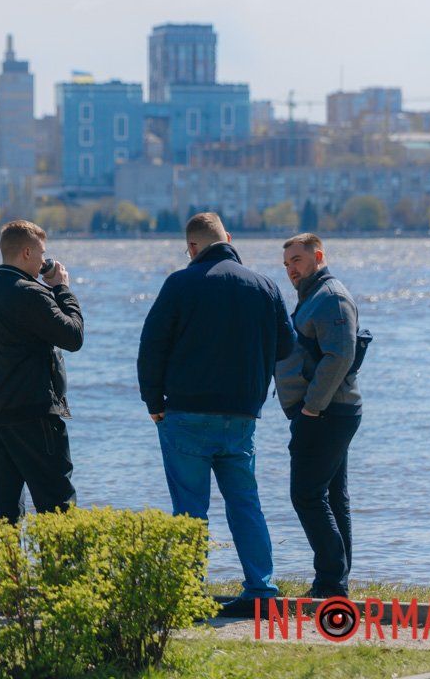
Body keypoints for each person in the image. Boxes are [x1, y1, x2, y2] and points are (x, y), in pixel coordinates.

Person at [137, 212, 294, 616]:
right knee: (245, 503)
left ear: (192, 247)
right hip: (241, 414)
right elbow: (286, 346)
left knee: (190, 509)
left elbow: (151, 347)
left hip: (186, 413)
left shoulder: (179, 284)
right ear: (228, 237)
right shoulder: (264, 285)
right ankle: (262, 592)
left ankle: (190, 592)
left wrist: (154, 402)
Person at [0, 220, 84, 527]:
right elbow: (73, 336)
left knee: (5, 508)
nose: (45, 261)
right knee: (57, 504)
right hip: (35, 414)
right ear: (27, 252)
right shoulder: (31, 293)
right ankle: (61, 575)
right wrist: (62, 289)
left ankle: (6, 573)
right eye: (42, 253)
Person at [275, 233, 363, 599]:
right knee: (330, 495)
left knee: (307, 495)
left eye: (297, 260)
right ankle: (335, 582)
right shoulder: (313, 296)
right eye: (286, 264)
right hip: (327, 411)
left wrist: (311, 406)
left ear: (318, 256)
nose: (291, 270)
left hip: (327, 413)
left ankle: (329, 581)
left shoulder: (331, 297)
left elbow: (339, 356)